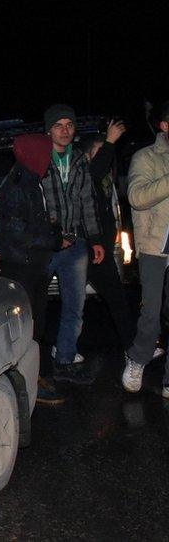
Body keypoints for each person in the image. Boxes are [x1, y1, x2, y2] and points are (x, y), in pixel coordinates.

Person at [0, 134, 65, 403]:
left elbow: (32, 224)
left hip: (32, 264)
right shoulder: (18, 184)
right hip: (22, 267)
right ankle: (29, 384)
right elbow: (17, 233)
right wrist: (55, 239)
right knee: (27, 327)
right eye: (46, 152)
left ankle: (35, 377)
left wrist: (52, 230)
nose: (49, 157)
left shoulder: (31, 179)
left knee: (37, 324)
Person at [40, 104, 104, 383]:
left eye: (69, 125)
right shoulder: (38, 159)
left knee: (74, 307)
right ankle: (36, 366)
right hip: (45, 246)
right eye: (58, 125)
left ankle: (65, 359)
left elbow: (88, 202)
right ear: (48, 130)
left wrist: (96, 240)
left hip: (76, 245)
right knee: (35, 307)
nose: (65, 130)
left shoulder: (79, 160)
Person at [80, 122, 136, 358]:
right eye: (99, 151)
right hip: (89, 249)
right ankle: (133, 350)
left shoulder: (104, 181)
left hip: (101, 248)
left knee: (115, 300)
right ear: (87, 156)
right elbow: (94, 172)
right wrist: (111, 141)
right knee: (112, 300)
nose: (106, 156)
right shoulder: (85, 176)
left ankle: (132, 348)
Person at [124, 101, 169, 396]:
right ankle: (138, 357)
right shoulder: (146, 157)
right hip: (156, 245)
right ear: (164, 126)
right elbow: (136, 197)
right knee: (151, 315)